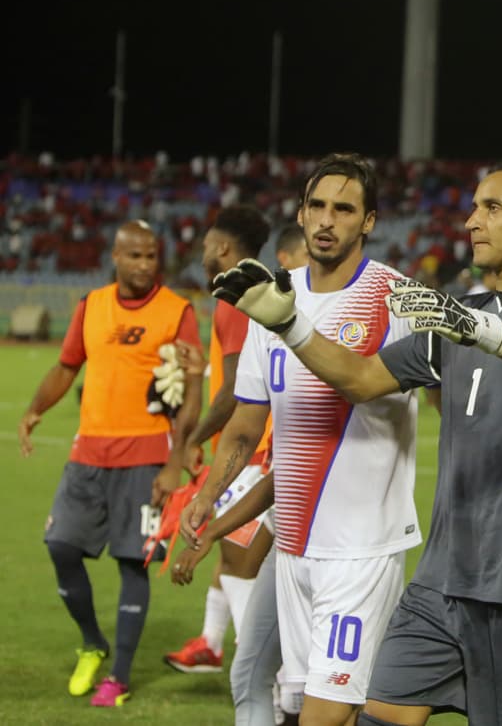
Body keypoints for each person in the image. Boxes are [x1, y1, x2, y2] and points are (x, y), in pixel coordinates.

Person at [208, 158, 502, 726]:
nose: (473, 221)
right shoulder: (457, 316)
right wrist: (290, 326)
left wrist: (478, 330)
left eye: (492, 208)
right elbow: (361, 378)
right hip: (442, 581)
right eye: (473, 208)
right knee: (376, 712)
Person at [180, 154, 422, 726]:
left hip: (360, 549)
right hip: (292, 546)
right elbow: (247, 422)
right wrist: (207, 496)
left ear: (368, 221)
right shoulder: (271, 300)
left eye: (344, 209)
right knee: (300, 705)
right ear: (300, 212)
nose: (327, 220)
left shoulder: (396, 298)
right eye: (317, 206)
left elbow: (416, 394)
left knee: (324, 714)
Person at [18, 219, 203, 707]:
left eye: (151, 256)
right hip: (88, 453)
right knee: (60, 546)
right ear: (115, 257)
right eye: (134, 255)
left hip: (146, 456)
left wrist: (175, 460)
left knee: (132, 562)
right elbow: (67, 366)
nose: (144, 265)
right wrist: (35, 409)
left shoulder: (177, 311)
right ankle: (92, 642)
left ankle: (118, 676)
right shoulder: (91, 305)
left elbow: (192, 390)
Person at [164, 204, 274, 676]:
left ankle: (264, 674)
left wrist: (193, 438)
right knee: (232, 556)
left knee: (236, 561)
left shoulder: (232, 297)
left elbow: (234, 391)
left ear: (223, 247)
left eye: (208, 243)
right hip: (263, 448)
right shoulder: (260, 290)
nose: (203, 250)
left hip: (252, 451)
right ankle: (211, 643)